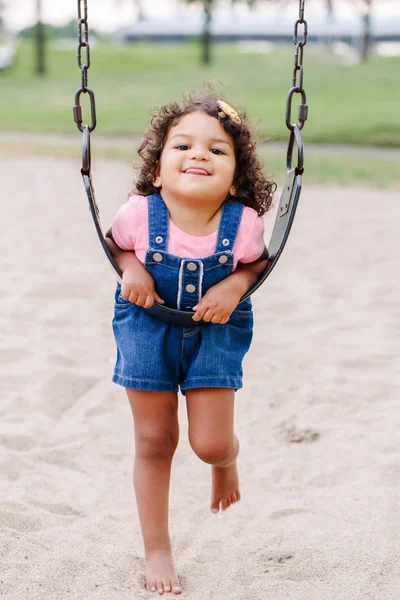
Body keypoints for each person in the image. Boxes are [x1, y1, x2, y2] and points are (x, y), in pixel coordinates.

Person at [105, 89, 276, 595]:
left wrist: (234, 285)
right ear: (157, 170)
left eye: (217, 150)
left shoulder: (244, 225)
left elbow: (256, 263)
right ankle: (157, 548)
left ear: (235, 181)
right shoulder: (138, 214)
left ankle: (227, 461)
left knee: (210, 444)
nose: (199, 154)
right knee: (155, 441)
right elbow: (115, 246)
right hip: (146, 324)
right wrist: (133, 267)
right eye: (183, 146)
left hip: (216, 329)